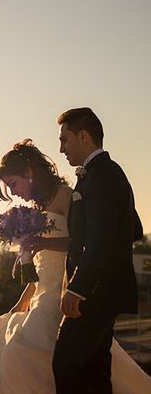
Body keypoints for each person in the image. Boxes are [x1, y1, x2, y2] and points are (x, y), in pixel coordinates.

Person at [0, 137, 150, 393]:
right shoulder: (39, 206)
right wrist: (25, 296)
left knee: (20, 349)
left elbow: (79, 244)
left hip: (64, 289)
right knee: (15, 347)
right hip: (43, 291)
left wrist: (43, 245)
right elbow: (43, 265)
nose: (14, 193)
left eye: (13, 184)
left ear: (29, 173)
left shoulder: (65, 195)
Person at [53, 107, 144, 393]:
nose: (61, 148)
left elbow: (100, 239)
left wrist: (78, 288)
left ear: (83, 137)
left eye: (64, 140)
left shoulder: (102, 174)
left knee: (66, 362)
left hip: (96, 291)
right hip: (104, 289)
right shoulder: (103, 173)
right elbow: (135, 229)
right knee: (94, 369)